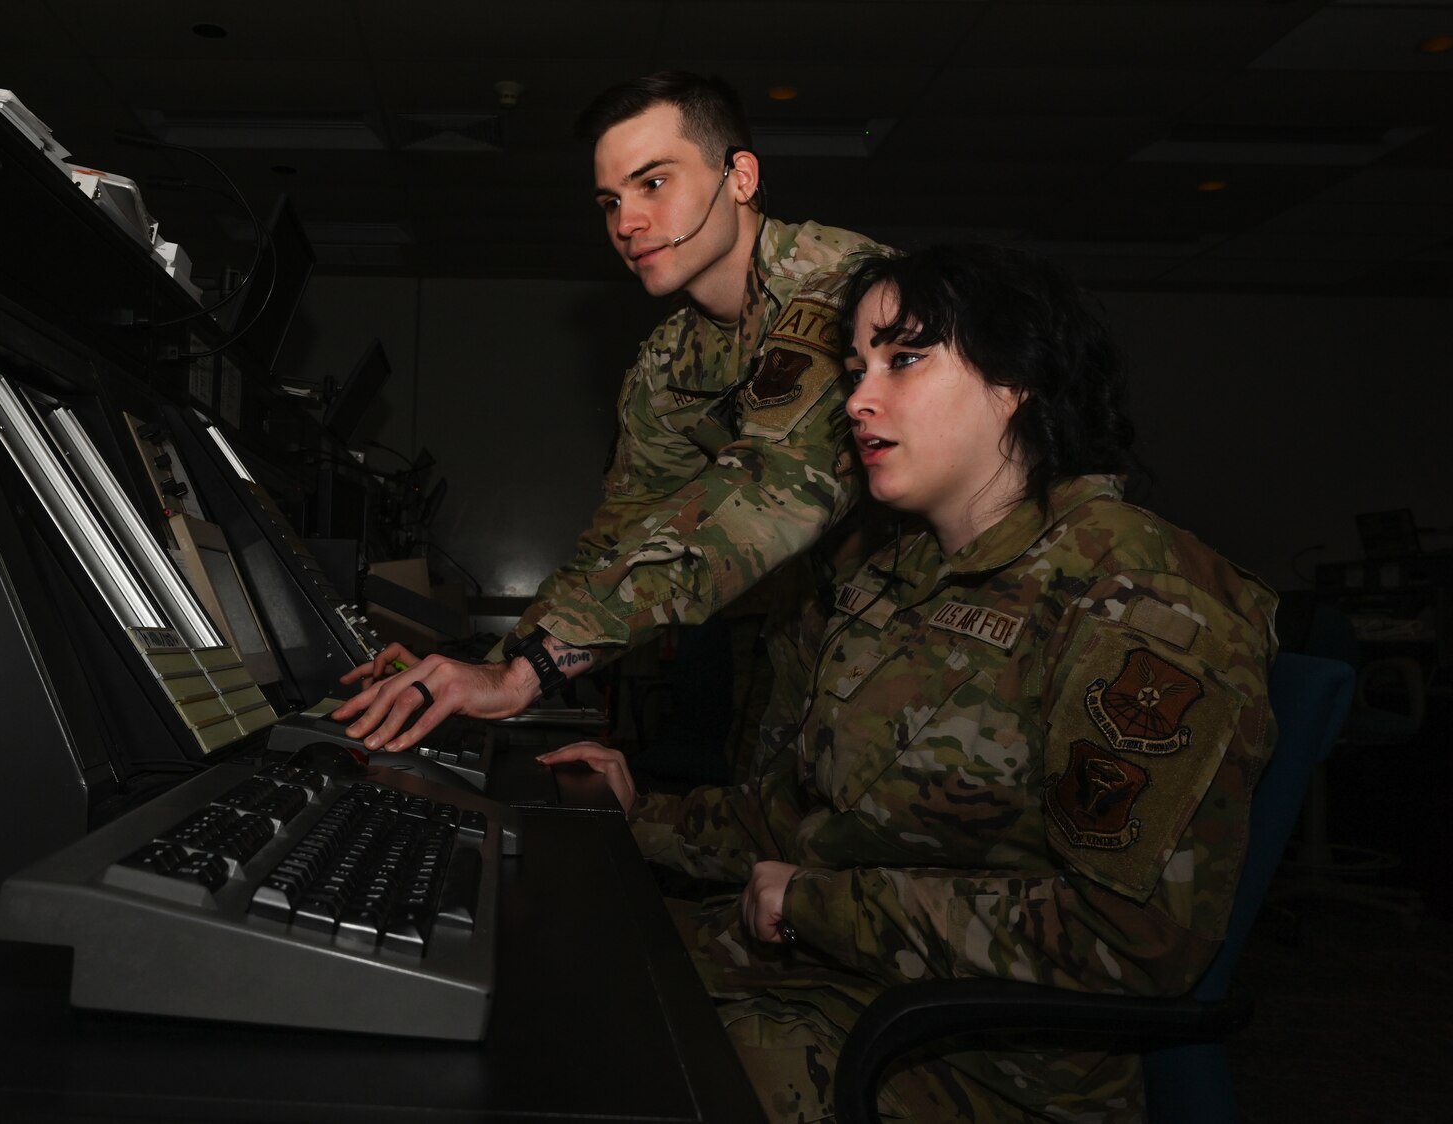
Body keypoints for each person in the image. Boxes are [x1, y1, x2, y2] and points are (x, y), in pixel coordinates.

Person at [541, 244, 1279, 1122]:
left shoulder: (1140, 594)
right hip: (828, 987)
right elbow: (813, 816)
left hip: (978, 1067)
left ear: (1019, 382)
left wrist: (821, 905)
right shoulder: (899, 572)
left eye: (905, 358)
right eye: (858, 367)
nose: (857, 397)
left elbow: (1127, 938)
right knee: (547, 985)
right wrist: (637, 821)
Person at [332, 73, 883, 755]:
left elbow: (773, 484)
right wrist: (488, 666)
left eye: (654, 183)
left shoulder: (847, 292)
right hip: (813, 659)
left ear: (740, 177)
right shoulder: (670, 362)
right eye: (609, 201)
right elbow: (619, 545)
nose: (626, 224)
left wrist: (524, 673)